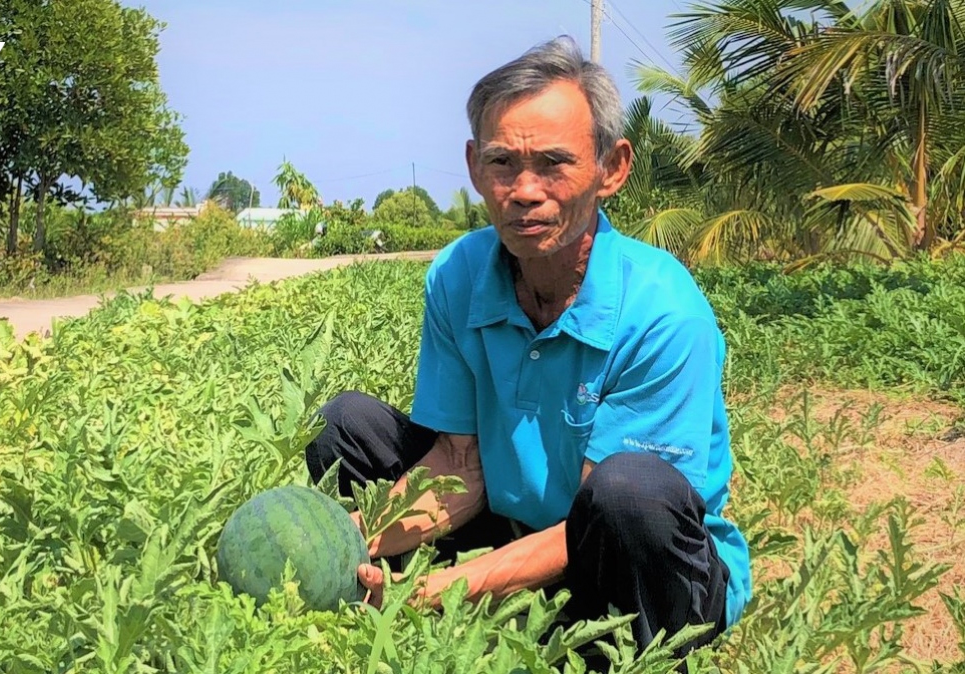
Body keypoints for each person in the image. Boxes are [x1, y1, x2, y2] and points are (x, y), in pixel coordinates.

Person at [303, 35, 751, 665]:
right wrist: (360, 539)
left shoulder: (662, 312)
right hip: (513, 524)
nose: (524, 190)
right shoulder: (459, 276)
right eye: (502, 163)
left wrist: (432, 591)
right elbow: (462, 464)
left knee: (631, 494)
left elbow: (600, 522)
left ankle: (626, 647)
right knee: (348, 426)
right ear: (472, 166)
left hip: (626, 552)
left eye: (553, 163)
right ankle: (385, 591)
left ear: (612, 168)